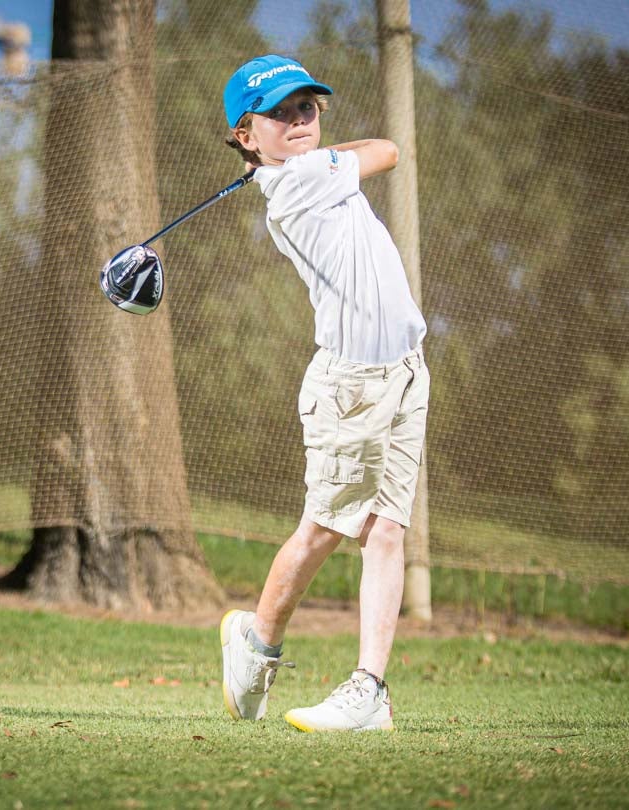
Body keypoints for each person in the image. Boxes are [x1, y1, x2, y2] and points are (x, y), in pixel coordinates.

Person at [218, 55, 430, 732]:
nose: (298, 120)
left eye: (306, 108)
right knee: (326, 529)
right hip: (352, 386)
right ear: (246, 136)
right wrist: (305, 156)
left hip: (404, 369)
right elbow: (388, 149)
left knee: (388, 530)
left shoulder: (303, 169)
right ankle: (257, 640)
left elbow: (367, 153)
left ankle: (370, 691)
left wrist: (292, 153)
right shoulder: (301, 184)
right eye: (279, 114)